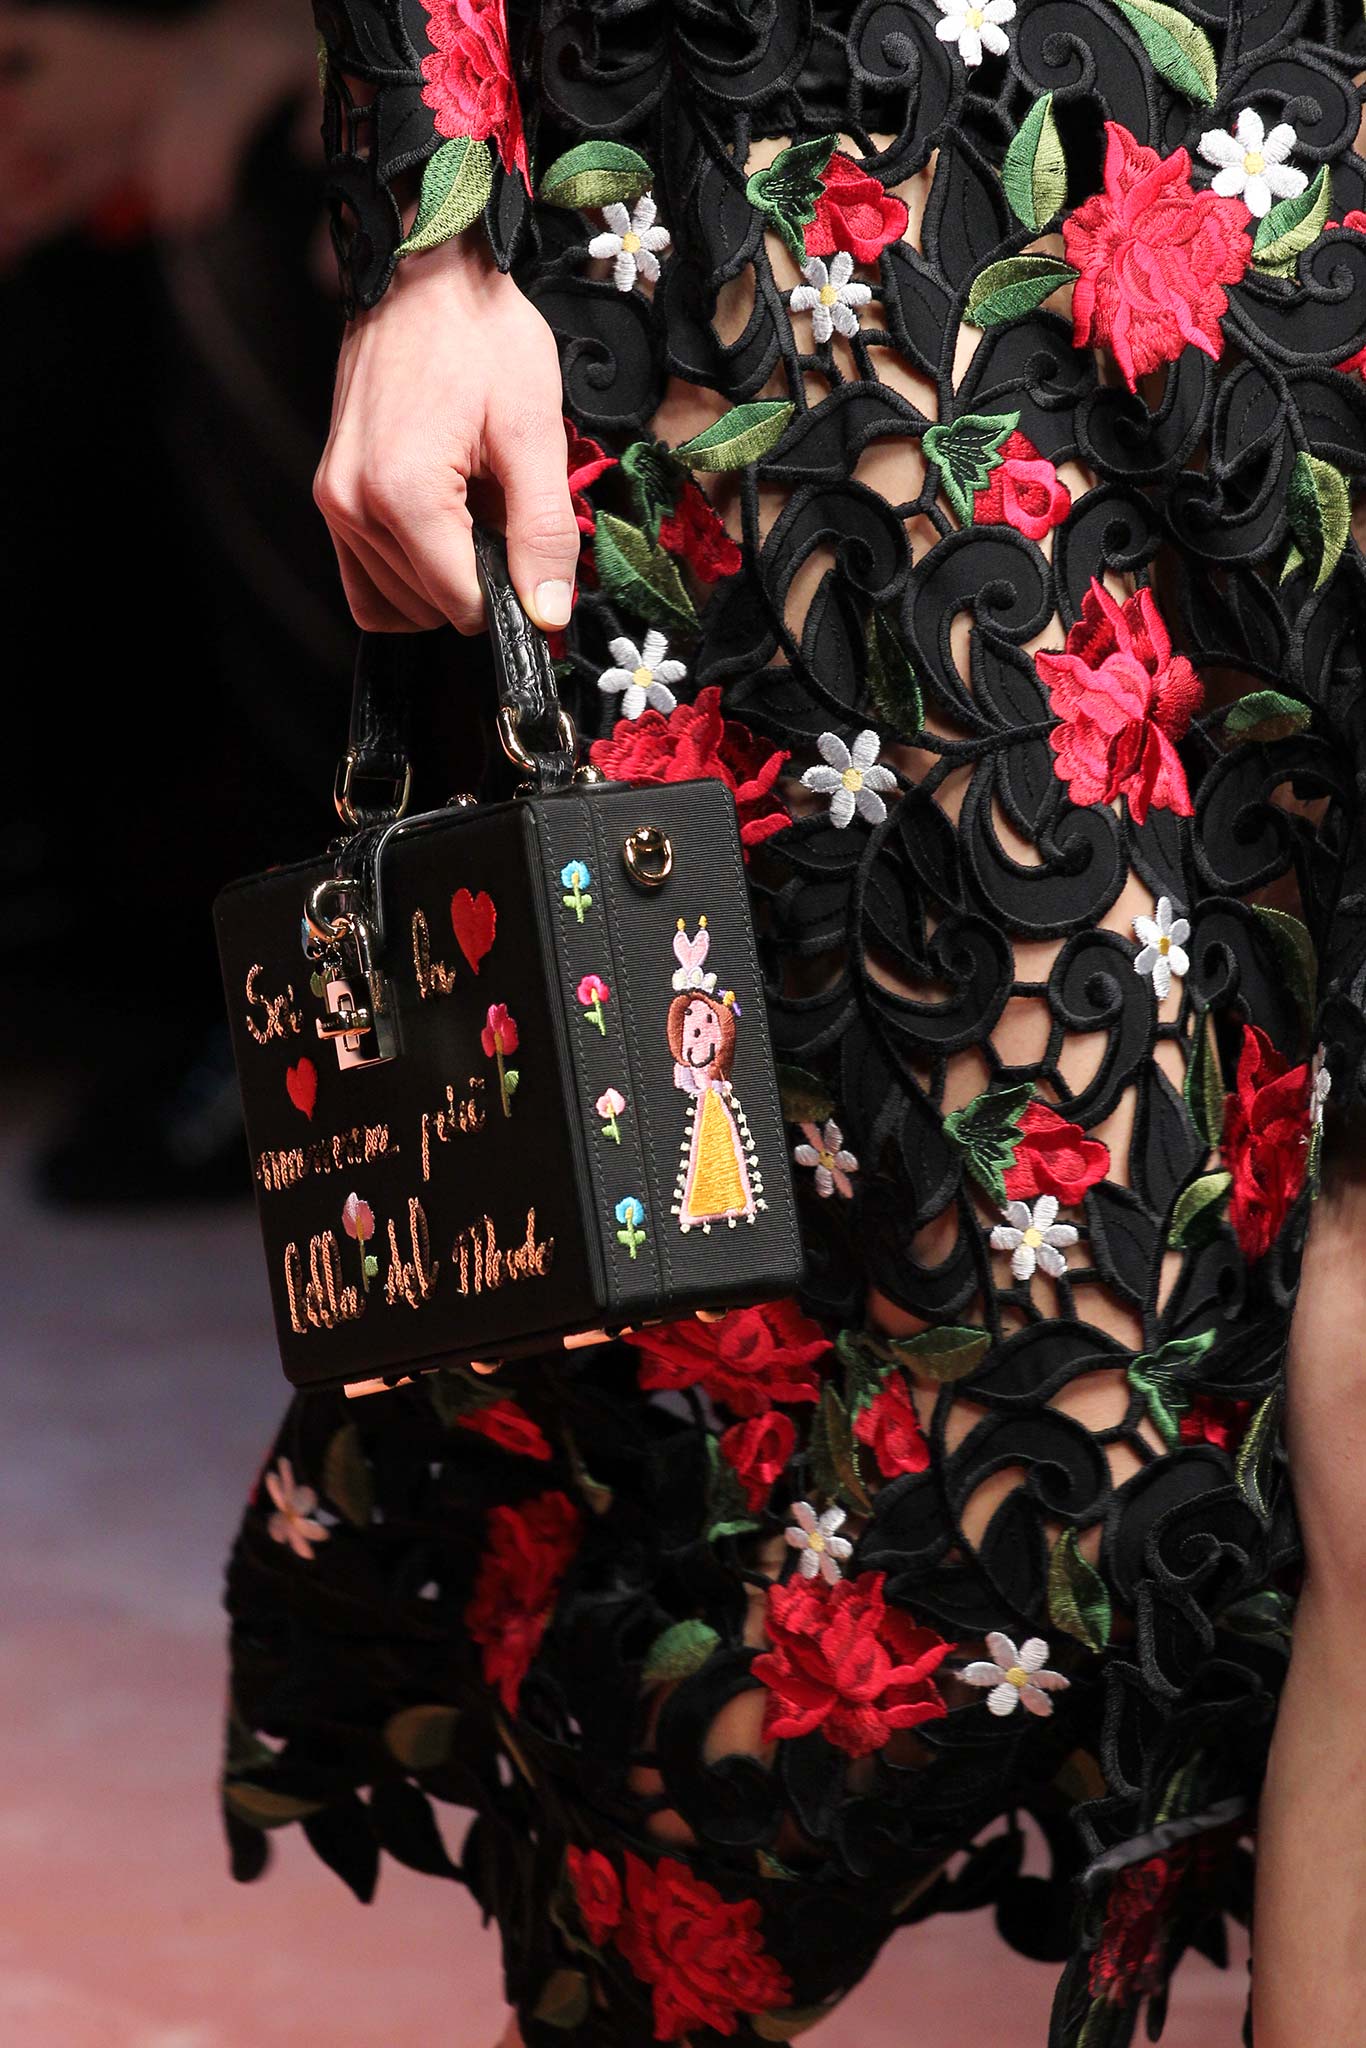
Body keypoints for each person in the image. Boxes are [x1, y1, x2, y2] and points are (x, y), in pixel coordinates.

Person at [221, 4, 1366, 2043]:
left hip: (1310, 164)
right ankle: (622, 1914)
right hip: (853, 188)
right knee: (1036, 1442)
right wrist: (430, 224)